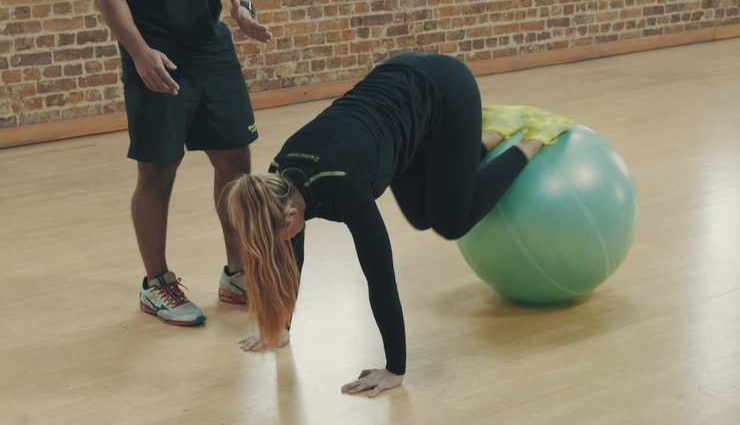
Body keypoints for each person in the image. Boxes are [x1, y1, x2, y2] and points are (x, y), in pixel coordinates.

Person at [224, 52, 574, 396]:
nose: (279, 247)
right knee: (422, 216)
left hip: (445, 88)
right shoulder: (274, 185)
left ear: (289, 216)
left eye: (277, 239)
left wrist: (395, 368)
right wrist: (281, 326)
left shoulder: (344, 187)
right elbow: (291, 255)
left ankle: (532, 139)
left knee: (451, 222)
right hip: (400, 110)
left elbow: (380, 277)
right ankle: (487, 138)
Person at [94, 0, 273, 326]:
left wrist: (244, 6)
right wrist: (138, 52)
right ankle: (156, 283)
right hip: (154, 53)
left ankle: (237, 275)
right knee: (158, 171)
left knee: (236, 162)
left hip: (211, 49)